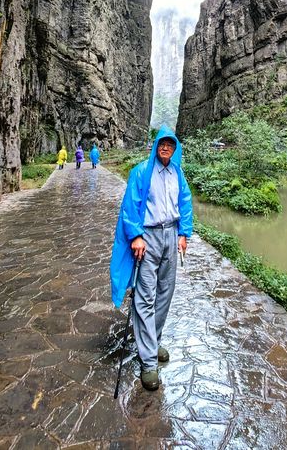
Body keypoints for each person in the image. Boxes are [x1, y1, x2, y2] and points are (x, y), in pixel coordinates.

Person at [109, 125, 192, 391]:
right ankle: (147, 362)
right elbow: (130, 207)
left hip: (171, 237)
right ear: (156, 145)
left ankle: (152, 342)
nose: (166, 147)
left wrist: (183, 233)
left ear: (175, 147)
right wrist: (136, 236)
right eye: (162, 143)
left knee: (165, 293)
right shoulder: (141, 172)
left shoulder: (177, 173)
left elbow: (185, 203)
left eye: (170, 144)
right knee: (145, 297)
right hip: (148, 237)